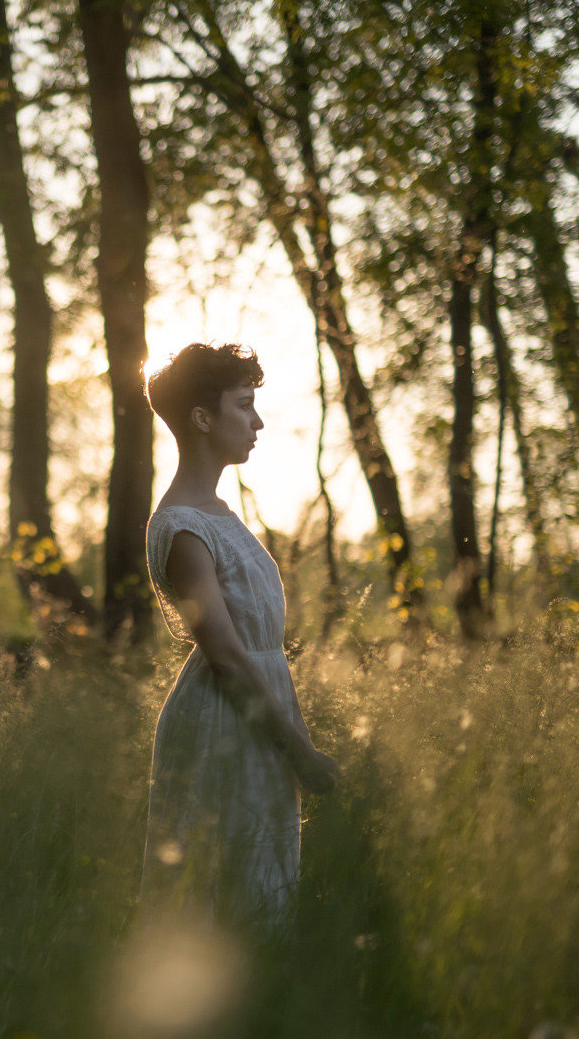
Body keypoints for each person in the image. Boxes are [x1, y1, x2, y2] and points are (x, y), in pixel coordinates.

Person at [139, 342, 338, 935]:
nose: (257, 422)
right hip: (220, 722)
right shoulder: (182, 527)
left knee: (265, 886)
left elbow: (263, 652)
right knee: (224, 896)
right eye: (244, 405)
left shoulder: (220, 513)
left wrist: (297, 739)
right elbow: (225, 652)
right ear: (203, 418)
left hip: (256, 715)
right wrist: (298, 752)